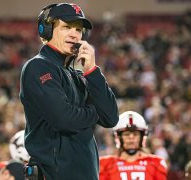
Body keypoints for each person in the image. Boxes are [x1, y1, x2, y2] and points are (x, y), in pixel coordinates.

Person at [19, 3, 119, 180]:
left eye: (79, 30)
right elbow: (64, 119)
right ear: (47, 30)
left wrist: (92, 71)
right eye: (66, 27)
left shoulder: (78, 74)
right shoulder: (38, 67)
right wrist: (95, 113)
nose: (74, 34)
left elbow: (111, 117)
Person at [99, 111, 168, 180]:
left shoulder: (156, 163)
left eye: (135, 134)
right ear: (119, 137)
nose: (131, 139)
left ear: (142, 137)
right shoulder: (105, 164)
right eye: (127, 134)